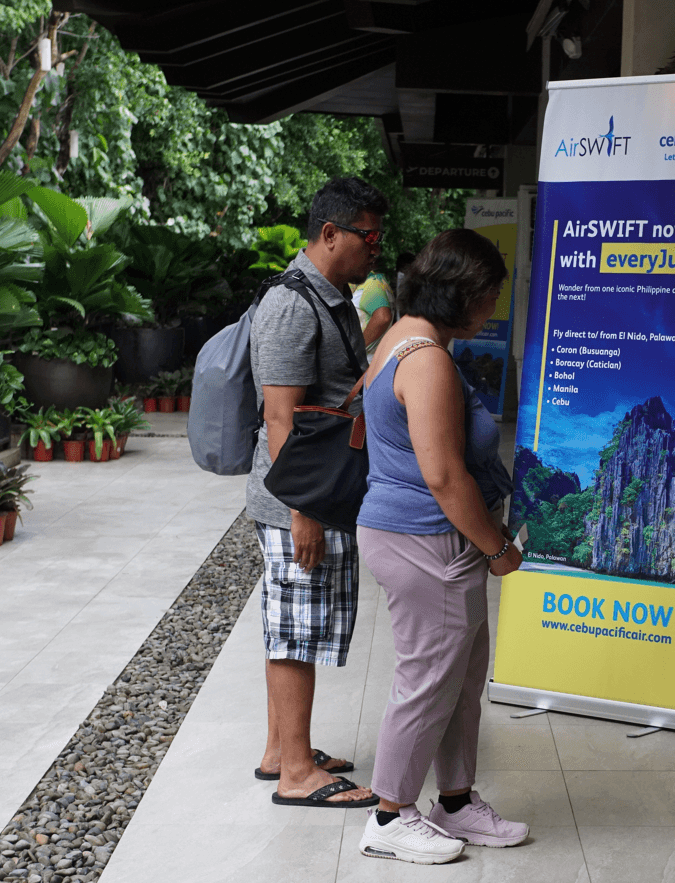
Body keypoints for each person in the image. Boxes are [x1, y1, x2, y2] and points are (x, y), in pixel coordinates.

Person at [355, 229, 527, 864]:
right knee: (429, 679)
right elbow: (445, 476)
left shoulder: (404, 336)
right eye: (492, 296)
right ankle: (388, 815)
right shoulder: (426, 358)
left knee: (457, 677)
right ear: (470, 294)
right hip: (426, 540)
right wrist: (497, 547)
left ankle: (454, 803)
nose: (495, 308)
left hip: (417, 537)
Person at [246, 176, 387, 809]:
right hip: (295, 499)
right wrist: (301, 509)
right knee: (294, 630)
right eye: (369, 236)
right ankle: (298, 774)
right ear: (330, 234)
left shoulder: (328, 295)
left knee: (290, 623)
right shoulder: (290, 304)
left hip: (315, 492)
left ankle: (283, 750)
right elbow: (280, 418)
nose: (376, 249)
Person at [352, 270, 394, 359]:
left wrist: (355, 350)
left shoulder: (372, 284)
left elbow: (383, 318)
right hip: (374, 358)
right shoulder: (376, 282)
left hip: (366, 360)